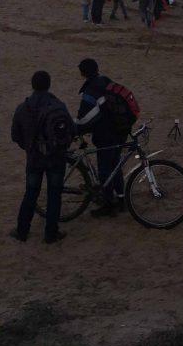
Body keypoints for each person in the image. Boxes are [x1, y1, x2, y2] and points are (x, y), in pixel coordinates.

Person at [11, 70, 73, 241]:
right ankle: (51, 233)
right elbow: (70, 130)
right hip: (56, 157)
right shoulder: (58, 105)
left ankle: (22, 231)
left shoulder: (23, 108)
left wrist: (29, 147)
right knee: (54, 195)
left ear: (32, 85)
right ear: (49, 84)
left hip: (34, 158)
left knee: (31, 193)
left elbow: (15, 136)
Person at [76, 58, 131, 216]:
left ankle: (108, 204)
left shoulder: (90, 90)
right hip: (119, 131)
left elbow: (84, 117)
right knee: (116, 167)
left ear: (82, 73)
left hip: (105, 134)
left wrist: (76, 128)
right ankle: (120, 198)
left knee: (105, 169)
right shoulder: (106, 81)